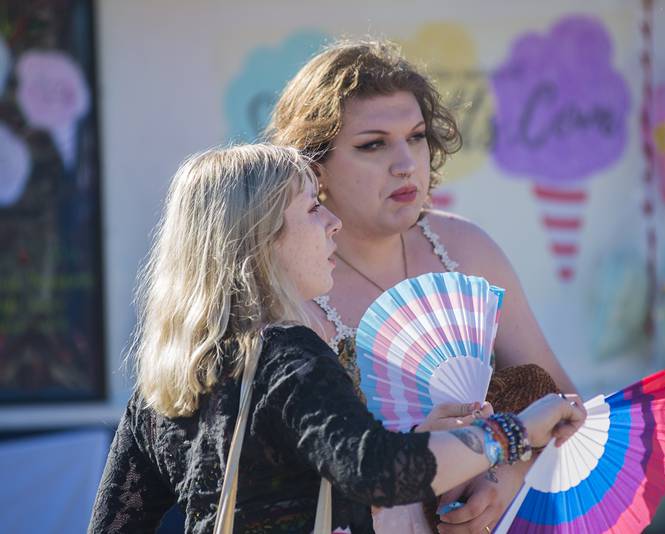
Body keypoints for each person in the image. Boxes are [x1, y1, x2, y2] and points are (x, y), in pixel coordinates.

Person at [88, 144, 585, 533]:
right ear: (260, 239)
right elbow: (374, 472)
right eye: (311, 210)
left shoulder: (165, 387)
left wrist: (411, 444)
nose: (333, 224)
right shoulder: (288, 358)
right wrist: (518, 432)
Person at [267, 40, 582, 532]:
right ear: (314, 166)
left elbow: (564, 406)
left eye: (415, 137)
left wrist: (500, 479)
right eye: (373, 144)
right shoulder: (287, 285)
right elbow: (277, 482)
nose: (405, 163)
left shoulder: (464, 248)